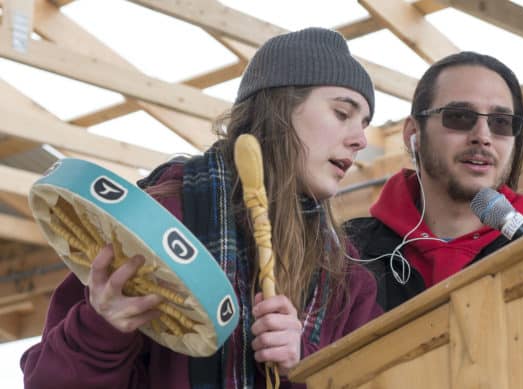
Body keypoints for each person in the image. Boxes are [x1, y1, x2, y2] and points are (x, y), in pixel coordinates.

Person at [21, 27, 382, 389]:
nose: (361, 140)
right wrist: (101, 329)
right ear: (280, 107)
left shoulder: (347, 278)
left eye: (365, 124)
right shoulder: (153, 223)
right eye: (342, 113)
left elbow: (381, 379)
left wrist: (309, 365)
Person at [345, 51, 523, 311]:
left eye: (501, 122)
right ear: (414, 133)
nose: (483, 136)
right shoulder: (345, 254)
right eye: (459, 116)